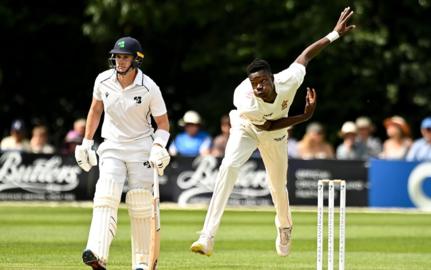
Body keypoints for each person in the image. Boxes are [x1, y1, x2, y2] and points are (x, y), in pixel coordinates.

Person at [190, 7, 355, 257]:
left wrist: (333, 34)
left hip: (276, 133)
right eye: (255, 84)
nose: (259, 87)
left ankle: (284, 226)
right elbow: (265, 125)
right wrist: (304, 116)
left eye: (263, 81)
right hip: (248, 128)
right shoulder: (244, 98)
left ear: (272, 78)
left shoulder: (289, 79)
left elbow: (306, 56)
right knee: (229, 167)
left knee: (277, 185)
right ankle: (207, 235)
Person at [75, 36, 171, 270]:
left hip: (141, 148)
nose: (119, 61)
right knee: (106, 194)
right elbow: (95, 110)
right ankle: (97, 251)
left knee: (140, 202)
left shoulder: (149, 87)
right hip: (112, 146)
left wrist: (158, 147)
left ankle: (141, 262)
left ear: (136, 59)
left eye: (125, 57)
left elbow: (164, 125)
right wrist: (87, 142)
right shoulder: (103, 80)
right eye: (117, 56)